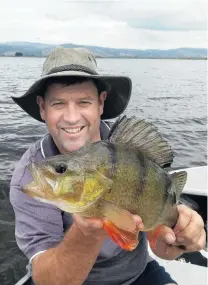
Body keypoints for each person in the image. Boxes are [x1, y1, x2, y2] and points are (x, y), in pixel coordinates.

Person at [10, 47, 206, 285]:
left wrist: (178, 240)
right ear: (42, 107)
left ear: (100, 103)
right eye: (58, 103)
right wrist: (86, 231)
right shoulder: (30, 175)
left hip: (136, 275)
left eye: (84, 102)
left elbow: (159, 246)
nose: (72, 117)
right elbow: (48, 279)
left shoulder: (126, 150)